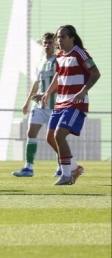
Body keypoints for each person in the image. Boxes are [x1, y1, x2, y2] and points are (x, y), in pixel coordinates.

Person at [42, 25, 100, 185]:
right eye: (57, 37)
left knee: (59, 135)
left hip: (76, 103)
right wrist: (48, 92)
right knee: (50, 138)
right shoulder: (59, 56)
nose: (58, 41)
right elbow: (59, 76)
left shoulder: (80, 53)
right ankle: (74, 167)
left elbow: (96, 73)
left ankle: (67, 175)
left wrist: (83, 91)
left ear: (72, 38)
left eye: (62, 37)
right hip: (60, 102)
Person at [13, 32, 61, 177]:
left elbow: (61, 83)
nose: (47, 45)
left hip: (54, 106)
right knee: (30, 133)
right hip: (39, 106)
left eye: (50, 43)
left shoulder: (58, 61)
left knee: (55, 138)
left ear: (56, 45)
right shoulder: (40, 62)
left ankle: (63, 165)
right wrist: (27, 102)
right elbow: (36, 83)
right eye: (45, 43)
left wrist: (46, 94)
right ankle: (28, 168)